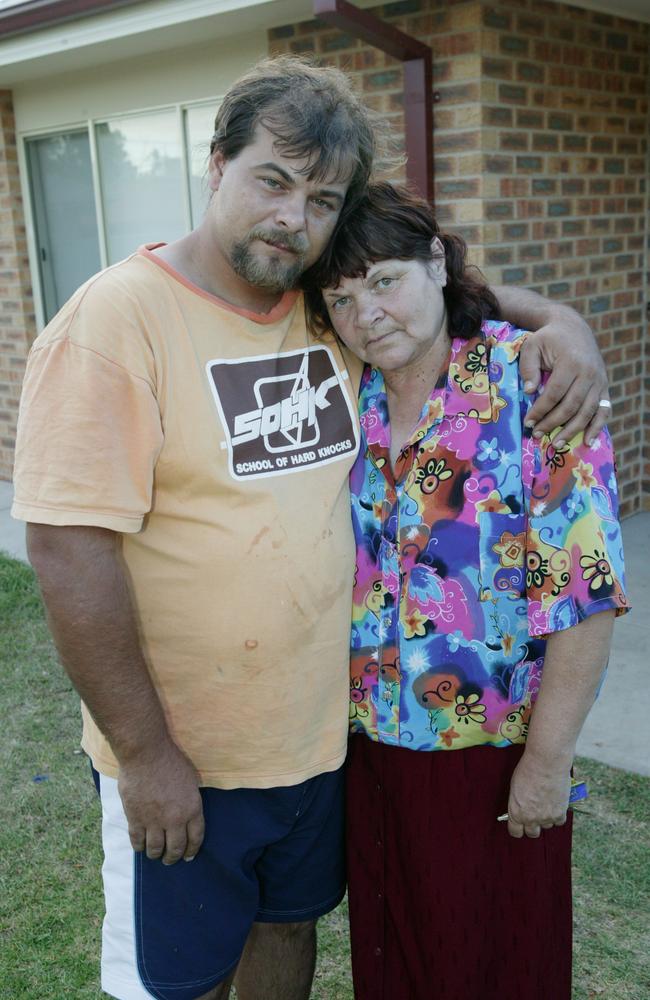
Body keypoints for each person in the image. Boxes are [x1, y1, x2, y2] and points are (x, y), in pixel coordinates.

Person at [12, 56, 611, 1000]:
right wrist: (146, 756)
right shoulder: (115, 322)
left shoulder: (316, 314)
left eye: (322, 198)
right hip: (190, 758)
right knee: (177, 980)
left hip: (322, 745)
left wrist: (561, 321)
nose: (294, 217)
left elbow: (425, 299)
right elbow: (65, 550)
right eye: (273, 181)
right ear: (216, 166)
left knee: (290, 938)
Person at [303, 181, 629, 1000]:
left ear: (437, 263)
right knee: (393, 964)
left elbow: (583, 603)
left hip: (490, 762)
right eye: (341, 298)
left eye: (384, 281)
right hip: (372, 753)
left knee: (495, 966)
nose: (365, 314)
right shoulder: (348, 396)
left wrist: (548, 765)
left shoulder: (536, 391)